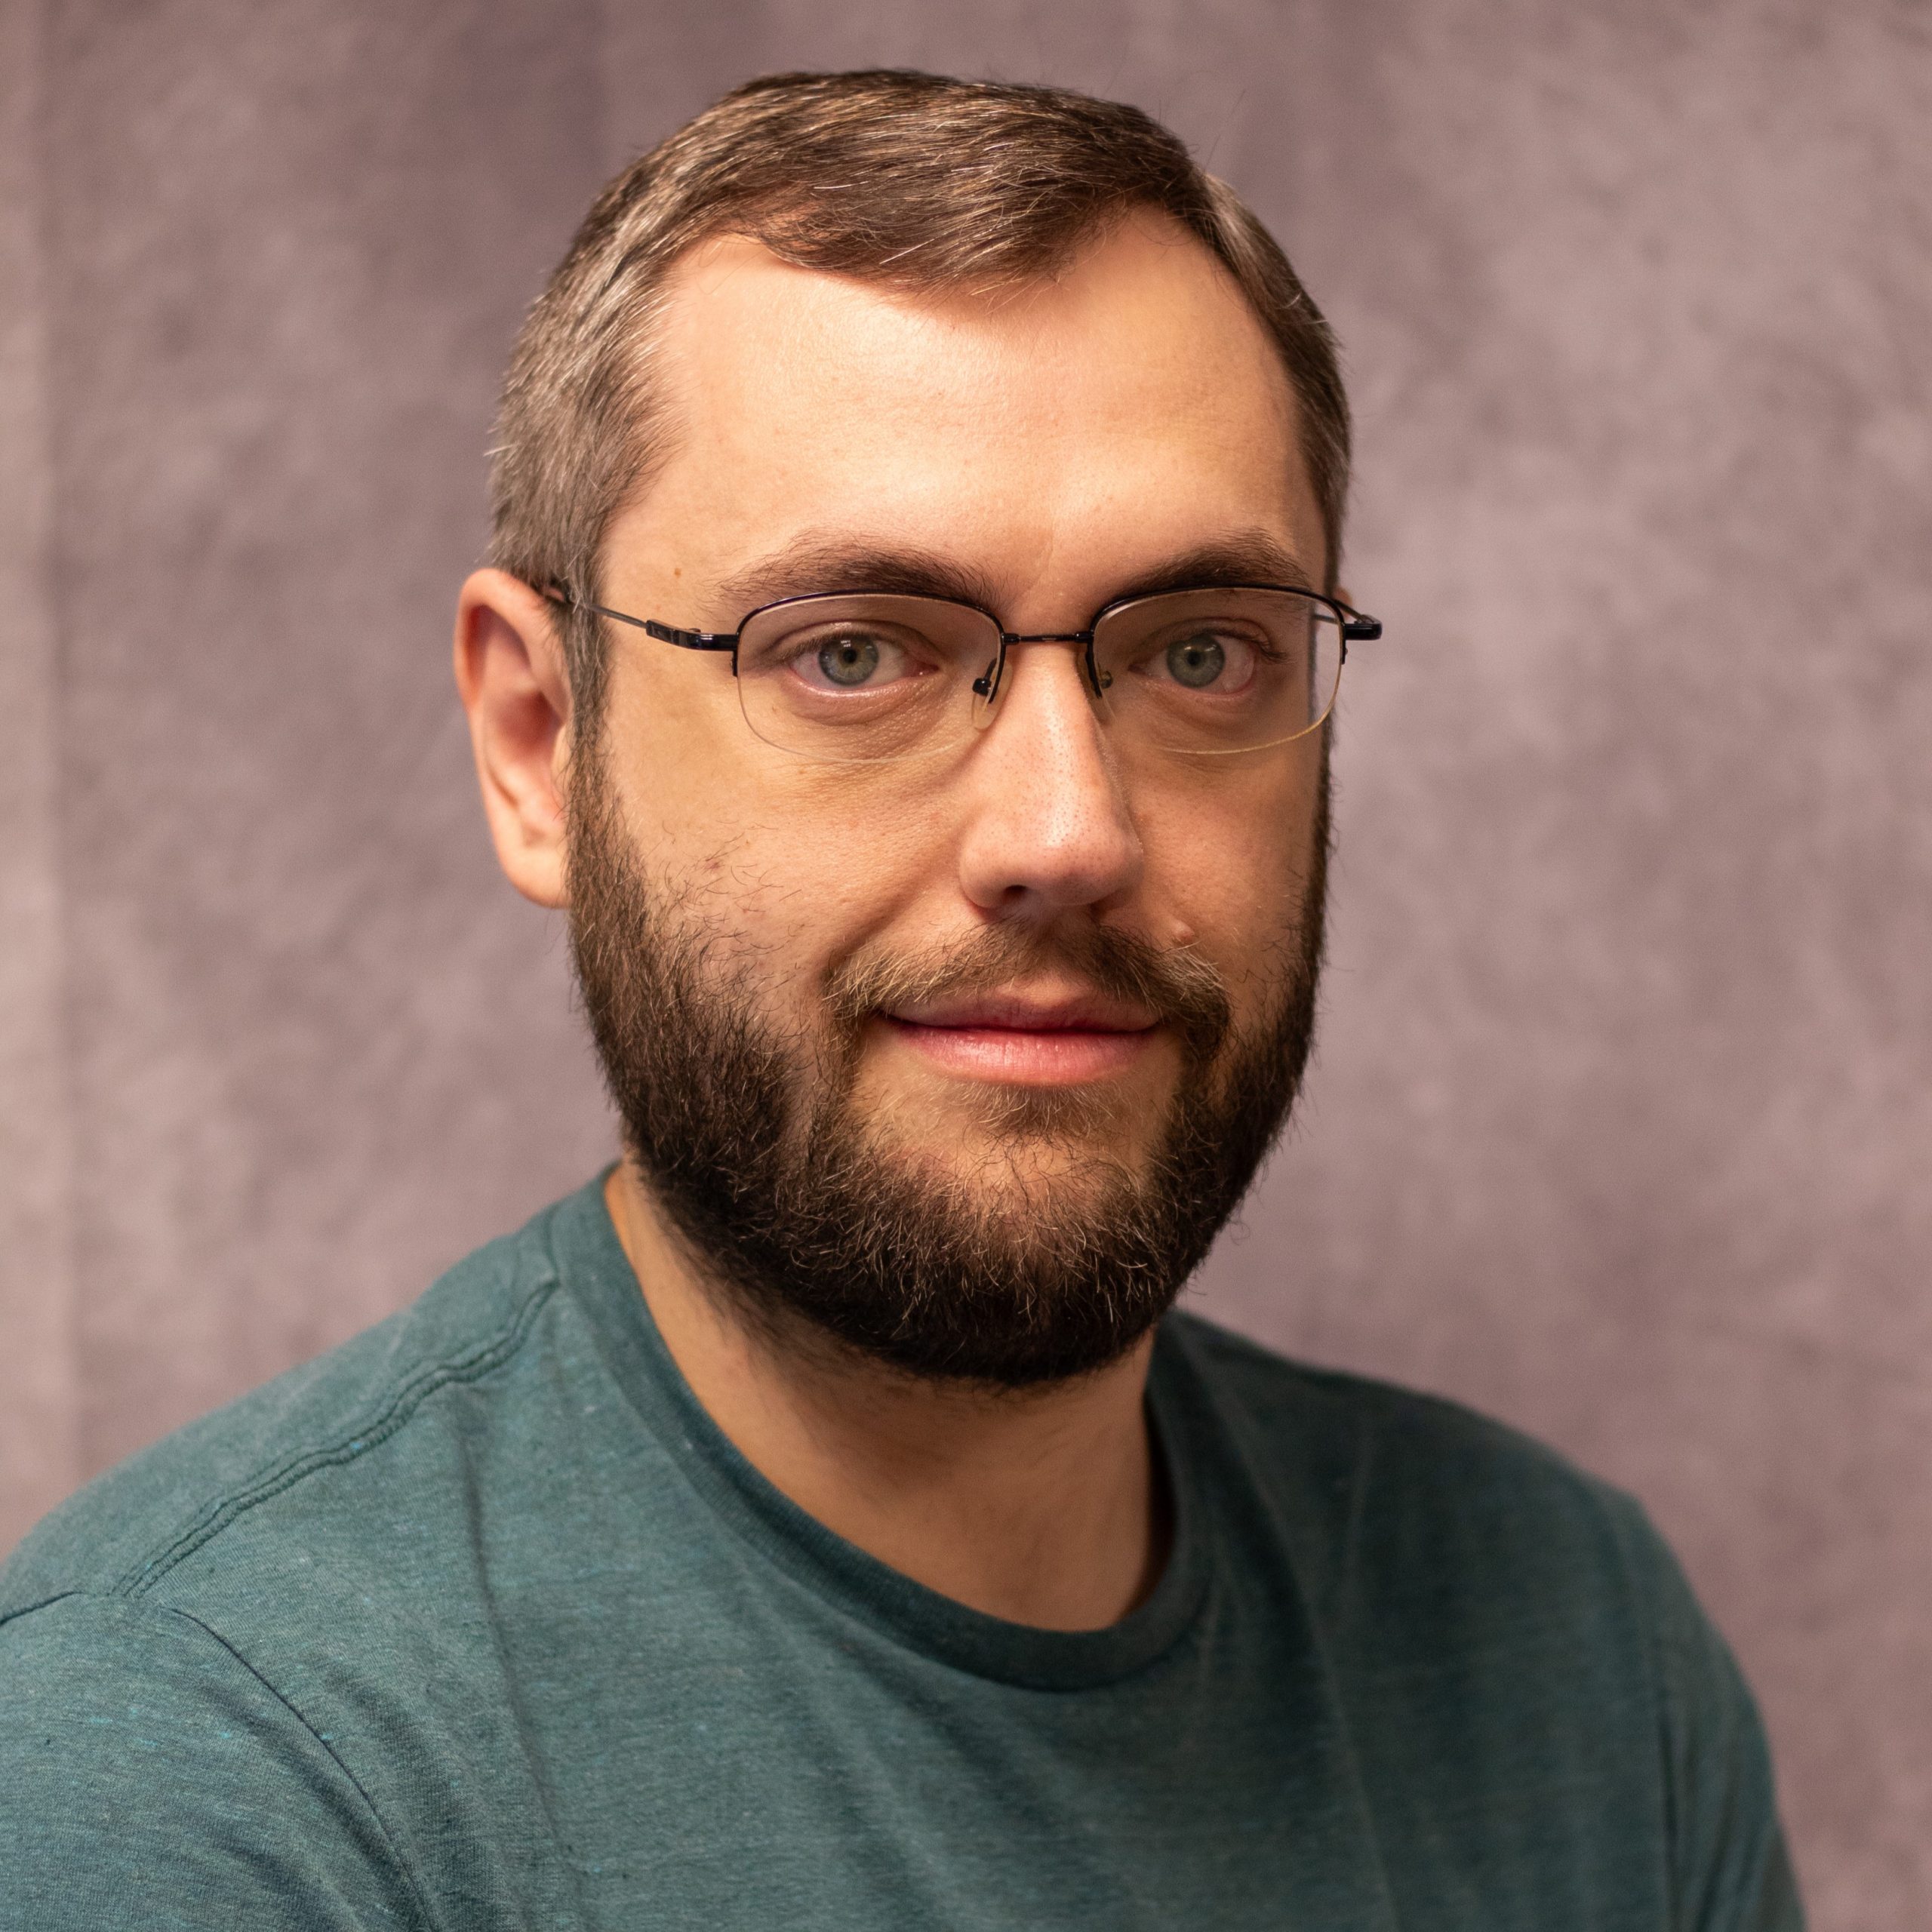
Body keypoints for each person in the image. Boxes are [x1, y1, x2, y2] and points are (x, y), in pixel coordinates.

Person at [0, 69, 1801, 1930]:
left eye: (1198, 650)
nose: (1064, 830)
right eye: (848, 651)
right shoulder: (182, 1774)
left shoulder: (1583, 1658)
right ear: (541, 744)